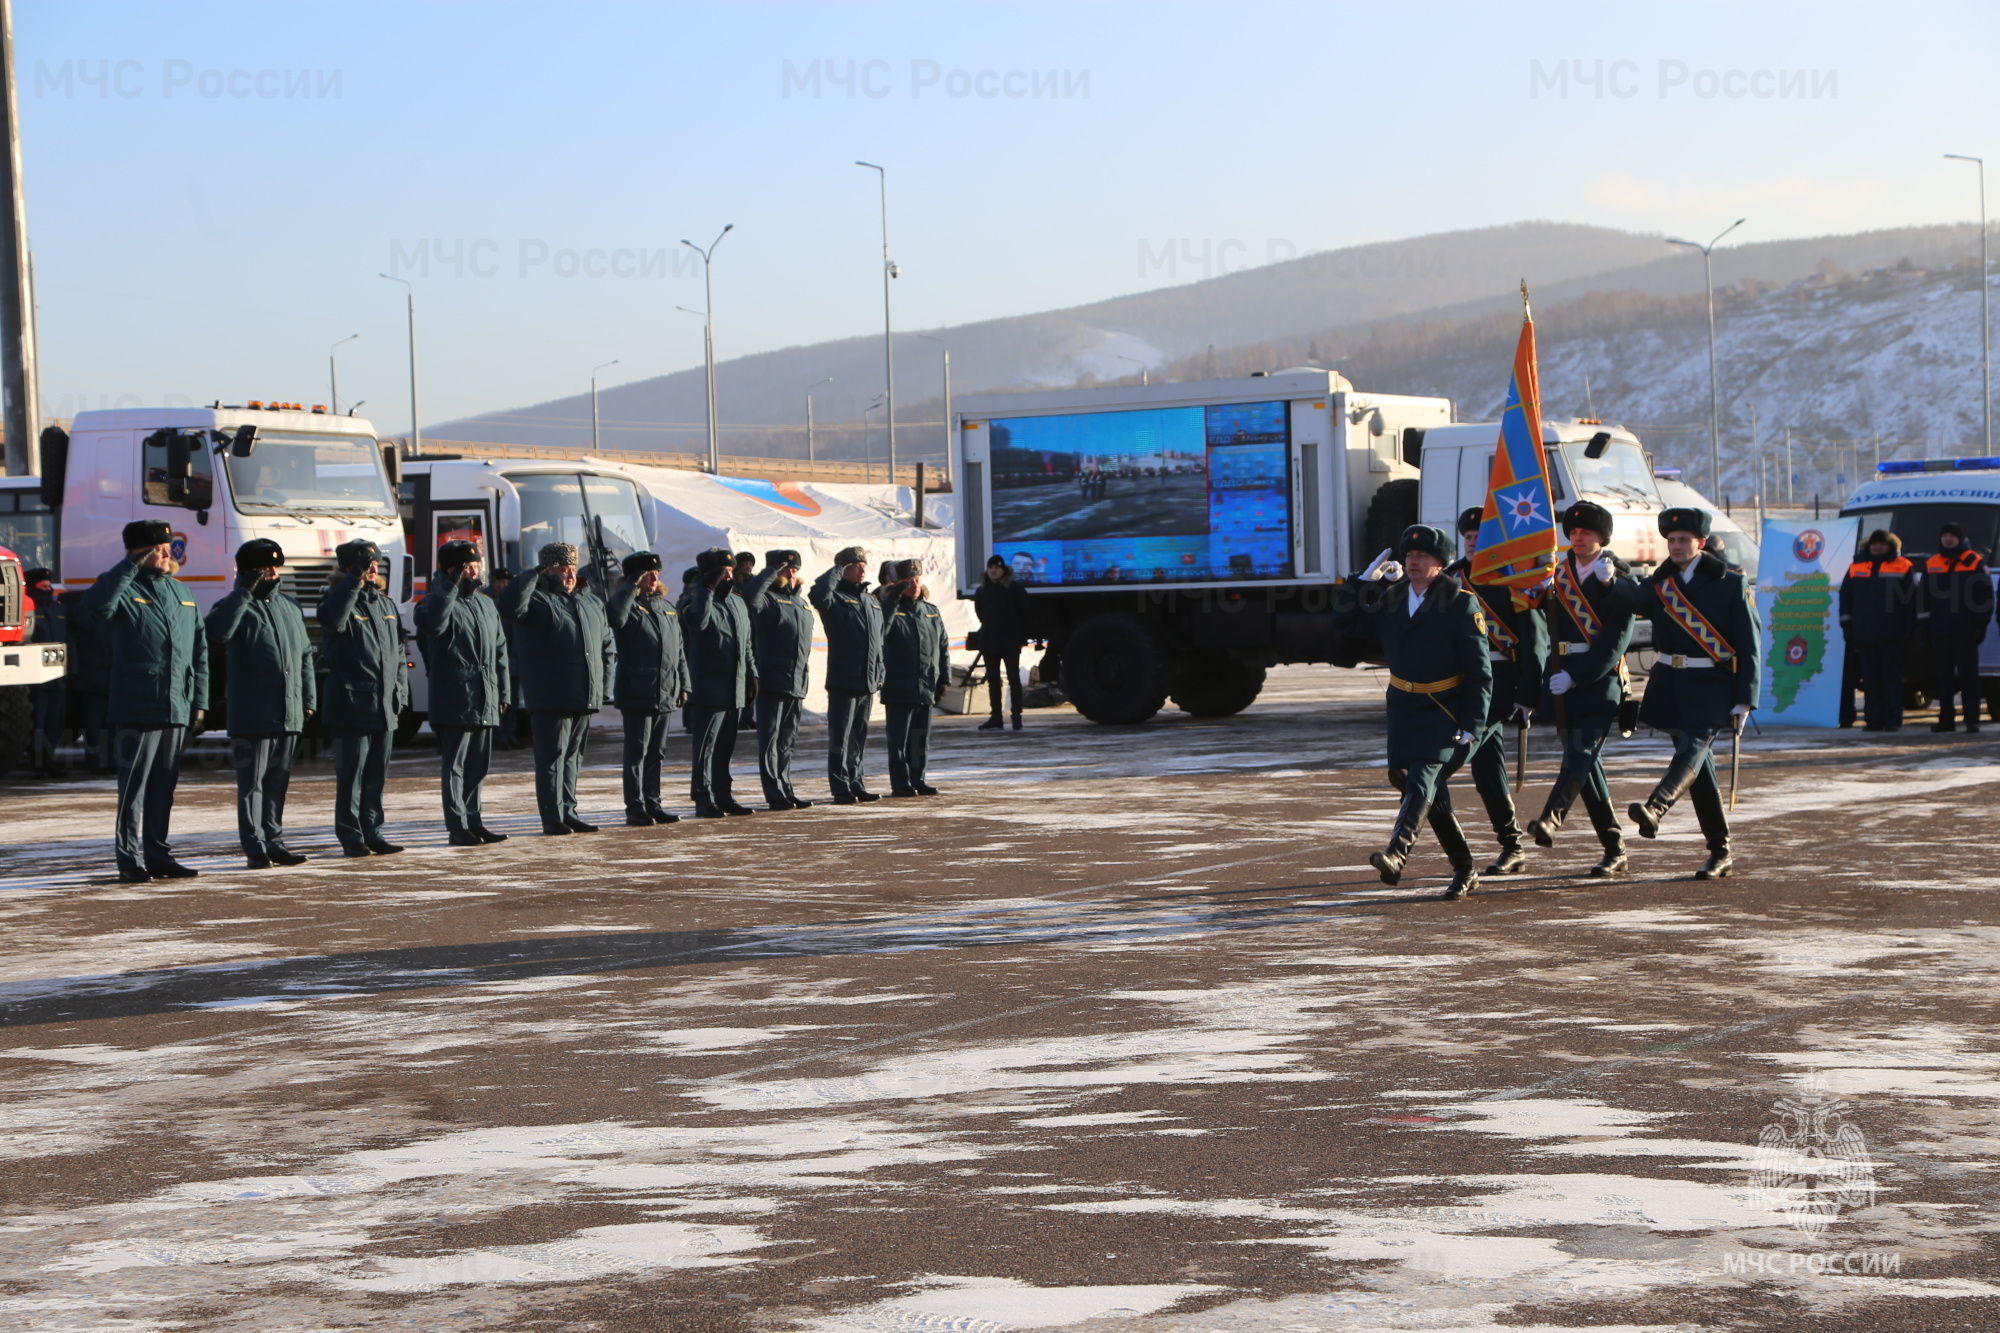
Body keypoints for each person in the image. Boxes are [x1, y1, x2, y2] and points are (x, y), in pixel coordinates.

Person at [1330, 525, 1491, 899]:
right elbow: (1345, 623)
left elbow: (1480, 672)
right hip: (1404, 707)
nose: (1413, 561)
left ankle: (1396, 855)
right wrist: (1360, 582)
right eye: (1410, 556)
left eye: (1423, 557)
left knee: (1421, 779)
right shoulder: (1392, 598)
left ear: (1440, 564)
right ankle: (1465, 868)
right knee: (1430, 795)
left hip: (1443, 709)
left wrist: (1473, 723)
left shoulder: (1460, 602)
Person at [1614, 508, 1761, 880]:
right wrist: (1611, 578)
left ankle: (1656, 807)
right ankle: (1720, 850)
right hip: (1672, 683)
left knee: (1694, 747)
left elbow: (1750, 643)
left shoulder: (1729, 582)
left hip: (1713, 683)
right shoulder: (1661, 582)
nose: (1676, 546)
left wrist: (1746, 697)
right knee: (1699, 769)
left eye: (1684, 540)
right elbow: (1635, 602)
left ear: (1700, 543)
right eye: (1672, 540)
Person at [84, 519, 209, 882]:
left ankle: (158, 855)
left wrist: (198, 701)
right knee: (133, 790)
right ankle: (129, 859)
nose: (167, 552)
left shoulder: (182, 592)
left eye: (167, 546)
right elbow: (98, 606)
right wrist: (129, 566)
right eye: (158, 548)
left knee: (162, 789)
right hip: (137, 705)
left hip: (175, 705)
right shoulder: (124, 587)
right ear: (139, 553)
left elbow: (199, 652)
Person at [1523, 501, 1634, 877]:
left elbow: (1616, 640)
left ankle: (1551, 818)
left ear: (1602, 537)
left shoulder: (1617, 574)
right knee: (1587, 765)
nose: (1578, 537)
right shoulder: (1556, 572)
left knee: (1580, 751)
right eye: (1573, 532)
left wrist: (1578, 676)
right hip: (1560, 673)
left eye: (1586, 532)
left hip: (1600, 679)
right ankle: (1615, 846)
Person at [1447, 508, 1548, 876]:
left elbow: (1535, 642)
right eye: (1468, 537)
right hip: (1462, 682)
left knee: (1453, 758)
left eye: (1480, 536)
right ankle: (1512, 845)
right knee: (1487, 769)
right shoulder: (1451, 578)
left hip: (1501, 682)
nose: (1473, 542)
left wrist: (1528, 693)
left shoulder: (1514, 580)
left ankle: (1406, 834)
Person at [206, 538, 315, 868]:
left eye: (274, 566)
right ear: (248, 570)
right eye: (264, 567)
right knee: (251, 784)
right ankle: (254, 845)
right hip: (253, 711)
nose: (272, 572)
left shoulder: (290, 608)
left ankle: (275, 840)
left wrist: (307, 699)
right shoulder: (232, 605)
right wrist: (243, 593)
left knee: (278, 781)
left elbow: (305, 656)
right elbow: (217, 633)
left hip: (288, 709)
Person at [502, 541, 616, 834]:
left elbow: (606, 646)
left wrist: (603, 685)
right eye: (562, 569)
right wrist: (533, 574)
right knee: (552, 758)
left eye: (572, 569)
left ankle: (568, 810)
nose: (569, 575)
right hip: (551, 693)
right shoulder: (536, 600)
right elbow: (510, 605)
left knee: (573, 758)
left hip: (583, 692)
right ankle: (552, 816)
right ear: (548, 571)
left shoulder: (590, 602)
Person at [317, 539, 410, 856]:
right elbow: (333, 619)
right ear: (347, 567)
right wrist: (353, 580)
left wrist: (400, 693)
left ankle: (373, 831)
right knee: (351, 778)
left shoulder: (385, 605)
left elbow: (399, 654)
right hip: (351, 705)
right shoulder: (336, 599)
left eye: (375, 563)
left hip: (384, 705)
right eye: (366, 563)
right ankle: (351, 835)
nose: (374, 568)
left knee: (375, 777)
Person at [415, 539, 511, 846]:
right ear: (450, 569)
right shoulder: (432, 602)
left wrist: (503, 692)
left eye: (475, 565)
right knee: (454, 766)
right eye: (466, 566)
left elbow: (500, 651)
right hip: (454, 697)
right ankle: (457, 825)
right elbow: (434, 624)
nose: (474, 570)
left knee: (478, 765)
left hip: (485, 696)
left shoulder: (485, 603)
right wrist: (449, 586)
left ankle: (474, 820)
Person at [606, 550, 689, 825]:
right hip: (637, 691)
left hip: (665, 691)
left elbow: (678, 651)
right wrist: (630, 586)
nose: (654, 577)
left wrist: (684, 683)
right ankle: (635, 807)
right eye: (647, 574)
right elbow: (615, 618)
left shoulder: (666, 607)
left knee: (657, 752)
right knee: (636, 754)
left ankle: (653, 803)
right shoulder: (627, 604)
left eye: (656, 573)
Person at [683, 546, 756, 817]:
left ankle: (723, 794)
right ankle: (703, 797)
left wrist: (752, 674)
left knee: (725, 747)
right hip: (709, 687)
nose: (729, 575)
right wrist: (705, 588)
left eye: (730, 570)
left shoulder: (736, 601)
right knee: (705, 747)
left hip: (734, 687)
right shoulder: (696, 601)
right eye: (722, 571)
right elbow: (699, 622)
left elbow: (746, 643)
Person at [810, 545, 886, 804]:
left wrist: (880, 670)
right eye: (855, 566)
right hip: (844, 677)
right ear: (843, 570)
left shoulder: (871, 601)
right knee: (840, 737)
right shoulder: (834, 598)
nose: (862, 569)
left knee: (858, 737)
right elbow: (818, 595)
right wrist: (837, 570)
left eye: (864, 565)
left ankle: (857, 781)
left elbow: (878, 642)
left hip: (867, 679)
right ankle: (840, 786)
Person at [743, 548, 815, 811]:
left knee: (787, 741)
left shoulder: (800, 602)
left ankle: (786, 788)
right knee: (770, 741)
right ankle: (774, 792)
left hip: (796, 681)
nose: (792, 574)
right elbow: (749, 597)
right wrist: (771, 571)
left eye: (795, 570)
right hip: (772, 680)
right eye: (787, 570)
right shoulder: (767, 599)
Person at [880, 558, 949, 797]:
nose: (914, 585)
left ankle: (918, 779)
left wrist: (944, 679)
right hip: (899, 686)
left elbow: (943, 646)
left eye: (917, 580)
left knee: (920, 738)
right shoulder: (889, 608)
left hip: (926, 685)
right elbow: (882, 631)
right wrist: (892, 600)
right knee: (898, 740)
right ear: (898, 583)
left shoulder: (930, 611)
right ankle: (900, 783)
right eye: (908, 581)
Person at [1839, 529, 1917, 732]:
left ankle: (1892, 720)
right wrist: (1848, 627)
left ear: (1890, 546)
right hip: (1864, 634)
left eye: (1882, 544)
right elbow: (1846, 597)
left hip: (1893, 635)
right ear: (1869, 546)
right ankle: (1873, 720)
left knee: (1891, 681)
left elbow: (1911, 602)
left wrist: (1909, 630)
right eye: (1874, 544)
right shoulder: (1856, 566)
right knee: (1870, 682)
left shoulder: (1904, 566)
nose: (1878, 547)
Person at [1918, 521, 1992, 733]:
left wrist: (1980, 625)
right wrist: (1924, 626)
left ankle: (1971, 720)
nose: (1948, 539)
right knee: (1943, 679)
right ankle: (1946, 720)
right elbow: (1923, 597)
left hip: (1965, 631)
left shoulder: (1974, 561)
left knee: (1968, 678)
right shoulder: (1932, 563)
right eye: (1945, 535)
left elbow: (1984, 597)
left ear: (1960, 538)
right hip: (1940, 631)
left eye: (1952, 535)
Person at [973, 554, 1030, 732]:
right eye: (990, 568)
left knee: (1014, 679)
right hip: (990, 640)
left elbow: (1025, 611)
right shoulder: (982, 590)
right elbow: (980, 612)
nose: (993, 571)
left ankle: (1016, 717)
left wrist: (1017, 632)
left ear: (1003, 570)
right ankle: (996, 717)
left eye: (996, 568)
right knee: (993, 681)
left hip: (1009, 640)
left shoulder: (1014, 588)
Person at [23, 568, 64, 776]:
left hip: (58, 678)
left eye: (49, 586)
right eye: (43, 587)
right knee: (38, 722)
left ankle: (49, 759)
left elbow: (69, 642)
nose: (48, 590)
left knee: (55, 722)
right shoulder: (29, 611)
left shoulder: (58, 610)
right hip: (39, 679)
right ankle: (38, 762)